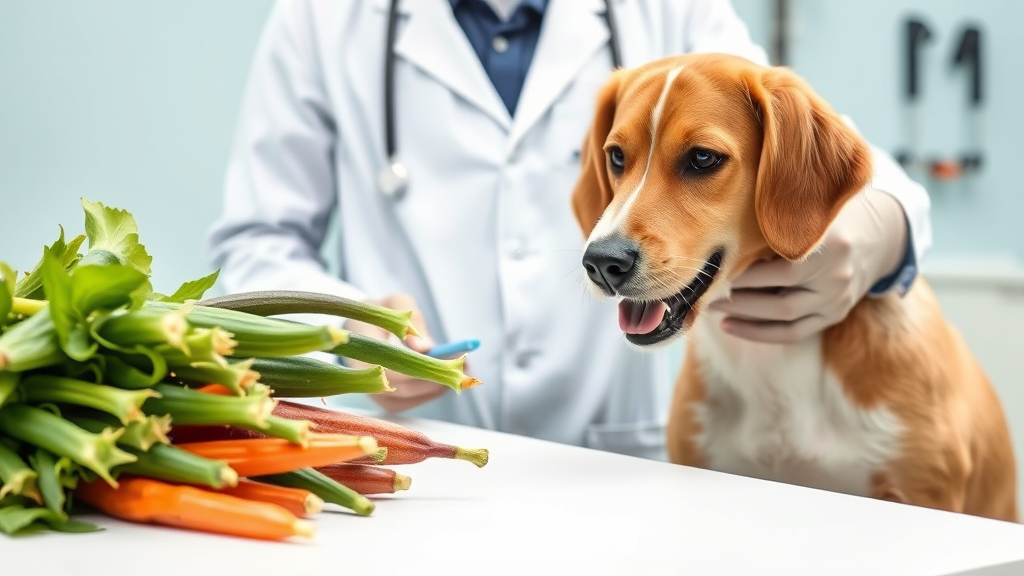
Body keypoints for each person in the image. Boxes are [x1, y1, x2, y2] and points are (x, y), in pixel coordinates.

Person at [206, 0, 932, 461]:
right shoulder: (320, 18)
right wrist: (345, 333)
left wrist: (877, 236)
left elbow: (825, 148)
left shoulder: (668, 10)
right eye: (616, 161)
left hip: (627, 465)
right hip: (421, 453)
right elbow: (254, 241)